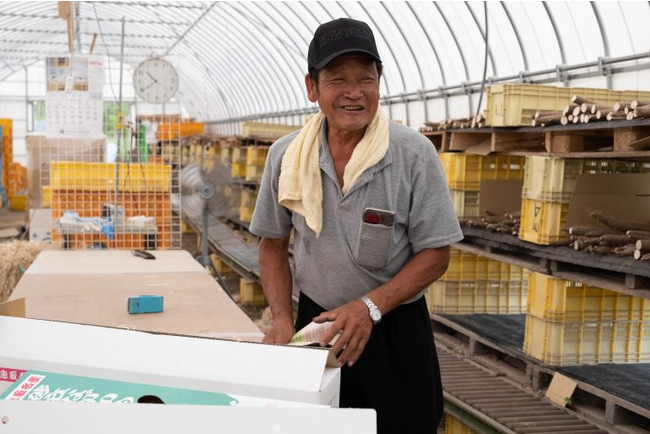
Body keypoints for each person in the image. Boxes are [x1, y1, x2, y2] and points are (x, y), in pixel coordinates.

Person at [249, 17, 463, 434]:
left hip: (394, 327)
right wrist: (281, 319)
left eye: (366, 78)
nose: (354, 92)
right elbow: (272, 243)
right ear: (312, 87)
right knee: (319, 427)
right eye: (338, 79)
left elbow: (436, 254)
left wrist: (369, 307)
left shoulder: (413, 154)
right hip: (318, 326)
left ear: (379, 84)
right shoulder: (287, 156)